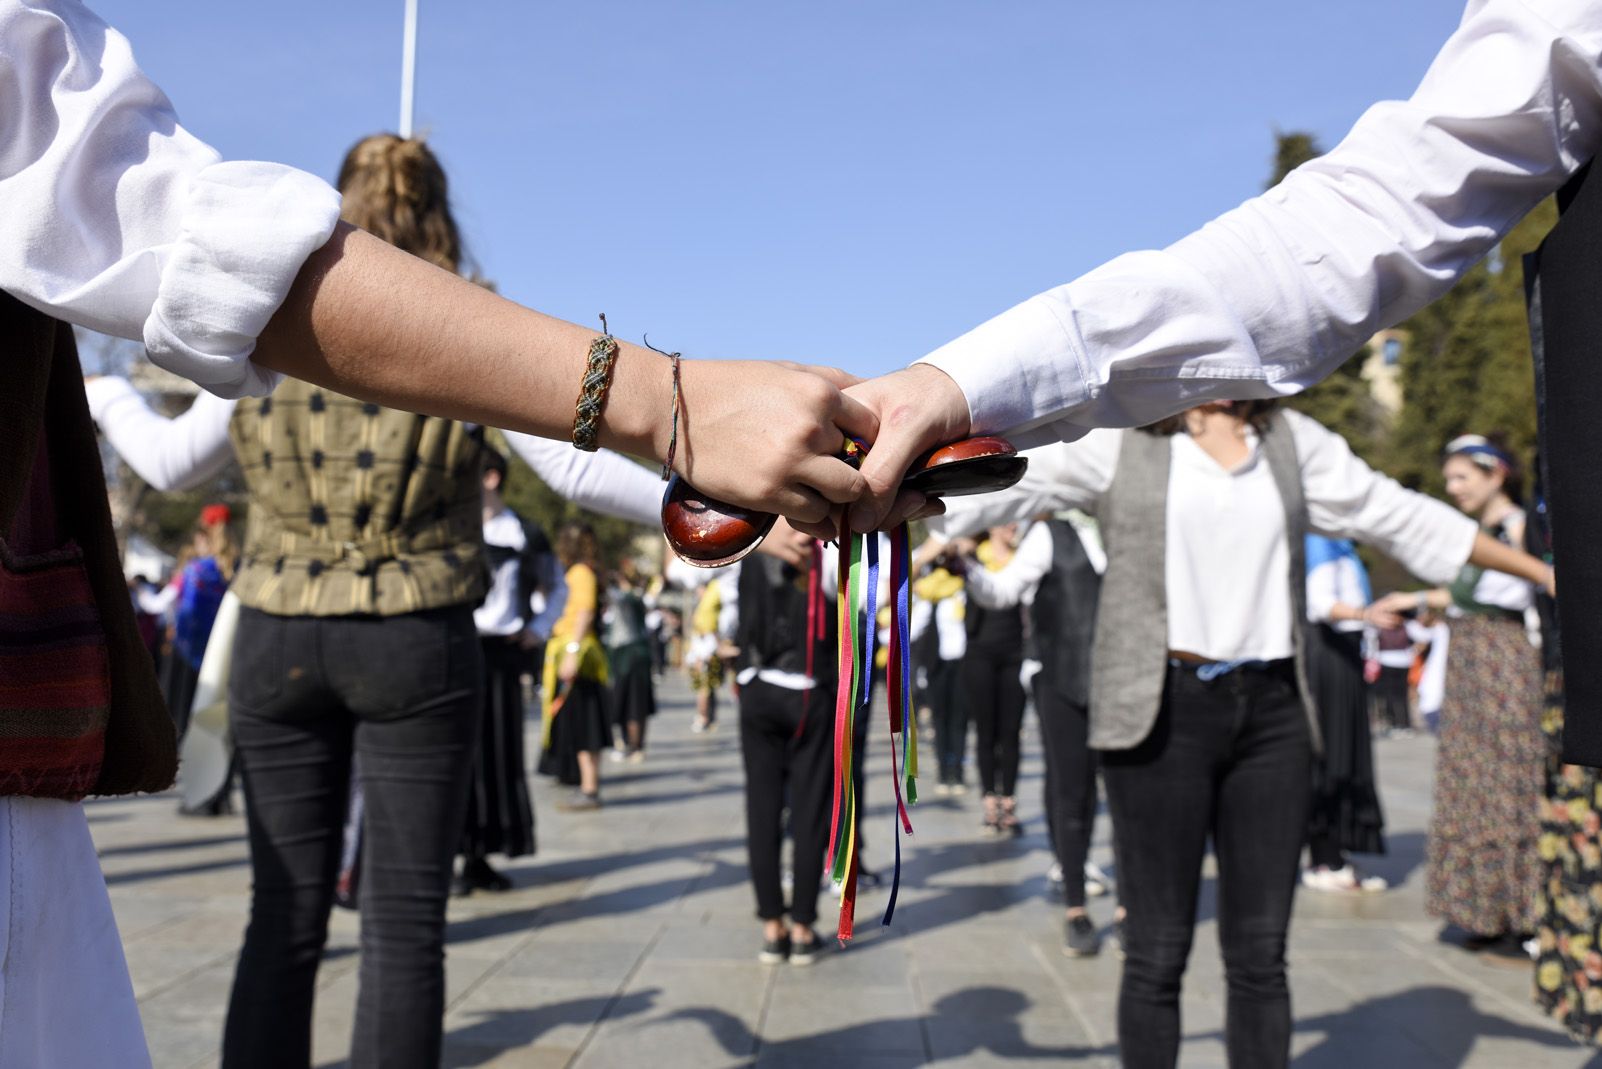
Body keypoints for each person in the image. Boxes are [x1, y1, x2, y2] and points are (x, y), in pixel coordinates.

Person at [85, 132, 661, 1067]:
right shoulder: (465, 323)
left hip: (280, 626)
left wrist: (103, 401)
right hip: (415, 631)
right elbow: (569, 462)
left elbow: (170, 459)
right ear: (441, 209)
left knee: (282, 915)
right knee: (402, 926)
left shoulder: (274, 312)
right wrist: (696, 504)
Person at [934, 399, 1552, 1069]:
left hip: (1274, 713)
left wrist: (1550, 573)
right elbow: (1004, 479)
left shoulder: (1289, 439)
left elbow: (1399, 514)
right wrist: (880, 491)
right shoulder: (1124, 438)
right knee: (1156, 949)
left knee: (1260, 954)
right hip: (1160, 708)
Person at [1387, 435, 1546, 952]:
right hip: (1475, 662)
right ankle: (1481, 908)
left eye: (1462, 477)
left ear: (1495, 474)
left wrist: (1420, 597)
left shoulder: (1519, 528)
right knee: (1472, 783)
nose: (1453, 488)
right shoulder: (1481, 534)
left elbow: (1506, 592)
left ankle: (1517, 912)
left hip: (1504, 662)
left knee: (1506, 782)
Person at [935, 511, 1112, 956]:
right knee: (1072, 784)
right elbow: (1001, 591)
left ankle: (1129, 908)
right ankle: (1075, 903)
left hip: (1120, 674)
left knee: (1126, 792)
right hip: (1061, 676)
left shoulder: (1119, 519)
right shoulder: (1048, 535)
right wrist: (967, 565)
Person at [721, 521, 838, 964]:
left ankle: (773, 927)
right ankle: (804, 927)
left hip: (759, 688)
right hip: (809, 690)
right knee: (809, 813)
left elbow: (711, 596)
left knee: (762, 809)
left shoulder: (746, 549)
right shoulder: (825, 556)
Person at [1300, 535, 1391, 894]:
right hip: (1328, 652)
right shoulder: (1320, 540)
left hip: (1344, 653)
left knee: (1345, 751)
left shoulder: (1340, 545)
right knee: (1332, 754)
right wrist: (1366, 614)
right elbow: (1320, 603)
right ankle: (1324, 857)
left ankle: (1334, 852)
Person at [959, 525, 1031, 836]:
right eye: (1006, 521)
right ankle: (990, 799)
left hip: (1015, 653)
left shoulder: (1026, 558)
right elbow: (937, 581)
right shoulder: (972, 555)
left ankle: (1009, 801)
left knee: (1012, 731)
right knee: (986, 731)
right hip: (979, 654)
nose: (1013, 527)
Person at [539, 522, 613, 809]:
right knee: (579, 722)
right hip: (577, 652)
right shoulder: (585, 571)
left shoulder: (580, 573)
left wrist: (571, 651)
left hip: (578, 656)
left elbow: (584, 612)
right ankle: (586, 784)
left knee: (584, 723)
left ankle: (589, 788)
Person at [909, 550, 969, 793]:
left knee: (960, 719)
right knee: (940, 717)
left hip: (961, 663)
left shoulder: (962, 592)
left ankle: (958, 770)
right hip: (936, 665)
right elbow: (914, 628)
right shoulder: (928, 597)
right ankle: (944, 771)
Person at [605, 560, 658, 762]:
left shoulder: (630, 597)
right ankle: (633, 745)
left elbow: (625, 598)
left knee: (634, 704)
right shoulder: (633, 597)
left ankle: (634, 746)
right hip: (630, 655)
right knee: (632, 703)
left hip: (630, 655)